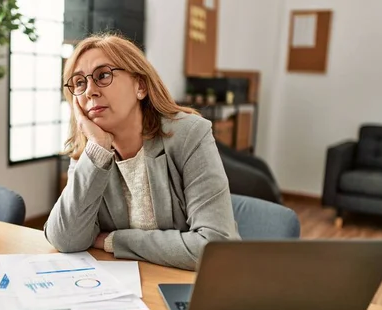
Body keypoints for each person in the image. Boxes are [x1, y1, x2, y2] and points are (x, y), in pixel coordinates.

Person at [44, 33, 240, 270]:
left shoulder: (189, 134)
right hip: (127, 285)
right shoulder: (90, 151)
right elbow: (65, 239)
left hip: (191, 286)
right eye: (79, 83)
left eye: (103, 76)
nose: (89, 92)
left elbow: (216, 248)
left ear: (140, 86)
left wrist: (114, 240)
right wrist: (97, 151)